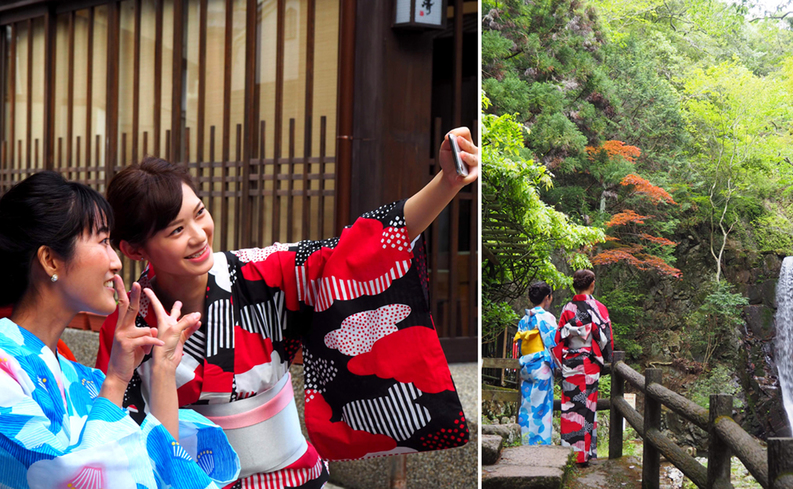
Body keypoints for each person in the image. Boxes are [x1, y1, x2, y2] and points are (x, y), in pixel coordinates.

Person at [96, 128, 478, 487]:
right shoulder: (127, 322)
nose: (198, 236)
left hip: (294, 476)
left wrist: (447, 182)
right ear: (132, 249)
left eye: (199, 214)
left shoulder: (262, 272)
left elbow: (360, 249)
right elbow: (121, 431)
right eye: (175, 230)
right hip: (198, 482)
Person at [0, 171, 240, 488]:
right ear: (51, 261)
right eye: (103, 242)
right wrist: (115, 380)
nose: (116, 262)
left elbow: (162, 464)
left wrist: (164, 369)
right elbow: (68, 478)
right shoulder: (6, 370)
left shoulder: (81, 378)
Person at [556, 269, 613, 466]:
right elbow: (605, 337)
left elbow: (559, 338)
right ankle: (585, 454)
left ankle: (569, 454)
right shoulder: (598, 308)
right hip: (588, 363)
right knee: (588, 408)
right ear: (592, 284)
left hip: (570, 363)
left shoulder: (566, 308)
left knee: (570, 407)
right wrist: (607, 358)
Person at [513, 281, 559, 445]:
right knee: (542, 407)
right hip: (541, 366)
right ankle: (539, 444)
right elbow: (554, 343)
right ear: (547, 297)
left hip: (526, 364)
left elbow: (520, 345)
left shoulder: (524, 319)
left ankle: (524, 441)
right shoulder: (547, 318)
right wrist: (560, 365)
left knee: (527, 405)